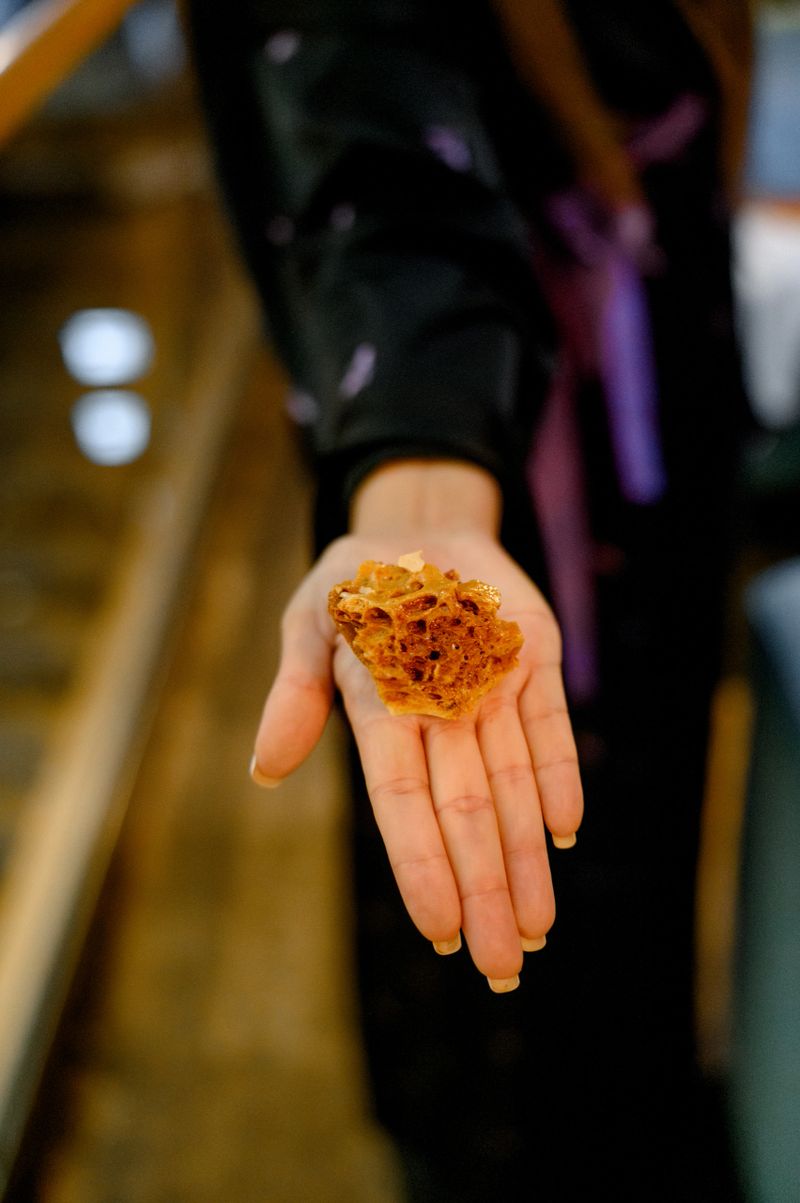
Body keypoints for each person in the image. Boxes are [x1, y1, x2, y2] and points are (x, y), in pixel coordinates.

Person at [187, 3, 752, 1198]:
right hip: (498, 470)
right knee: (487, 865)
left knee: (637, 841)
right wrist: (420, 477)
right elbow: (382, 178)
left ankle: (634, 1108)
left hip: (659, 433)